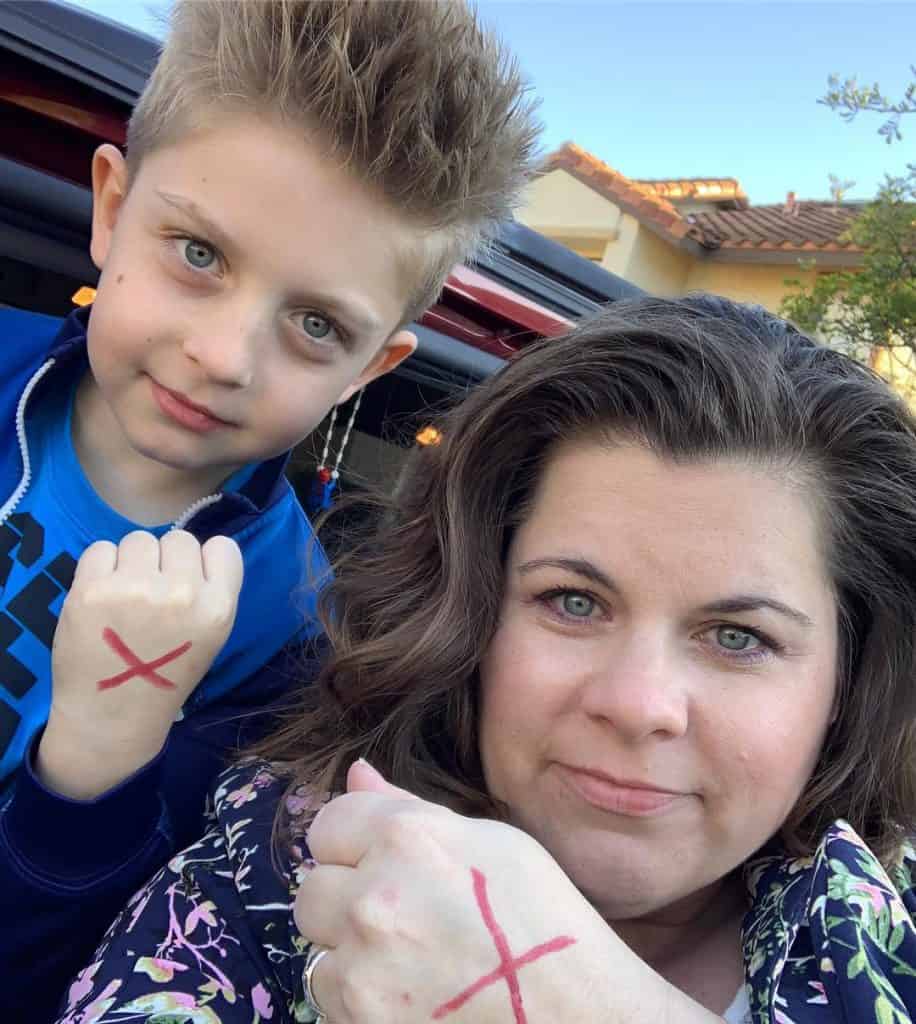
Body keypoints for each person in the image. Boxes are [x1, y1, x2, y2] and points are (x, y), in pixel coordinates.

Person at [55, 294, 916, 1024]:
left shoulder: (887, 944)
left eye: (739, 637)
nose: (637, 703)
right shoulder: (270, 866)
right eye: (572, 602)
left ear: (848, 681)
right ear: (470, 617)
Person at [0, 0, 539, 1017]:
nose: (225, 356)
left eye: (315, 324)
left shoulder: (292, 638)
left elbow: (78, 975)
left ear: (368, 370)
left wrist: (92, 769)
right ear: (111, 207)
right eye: (198, 253)